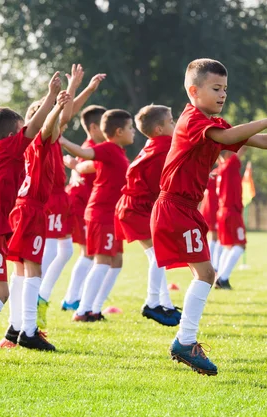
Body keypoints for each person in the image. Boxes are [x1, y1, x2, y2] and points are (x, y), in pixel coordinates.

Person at [151, 58, 267, 375]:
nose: (223, 95)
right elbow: (233, 137)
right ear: (194, 91)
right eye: (216, 88)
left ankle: (183, 336)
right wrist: (265, 120)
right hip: (174, 207)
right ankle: (184, 340)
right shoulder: (193, 119)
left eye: (225, 89)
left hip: (185, 208)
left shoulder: (214, 123)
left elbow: (258, 140)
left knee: (205, 274)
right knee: (206, 274)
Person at [0, 72, 63, 364]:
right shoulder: (13, 149)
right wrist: (50, 95)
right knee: (1, 292)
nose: (24, 136)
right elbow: (33, 127)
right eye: (19, 132)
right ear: (11, 137)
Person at [1, 89, 71, 351]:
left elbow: (52, 124)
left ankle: (15, 326)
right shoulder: (40, 143)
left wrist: (59, 102)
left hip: (21, 209)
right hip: (31, 210)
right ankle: (29, 332)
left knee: (20, 270)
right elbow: (46, 127)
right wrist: (54, 104)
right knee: (33, 271)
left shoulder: (26, 143)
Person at [37, 70, 107, 327]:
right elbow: (64, 113)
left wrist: (80, 87)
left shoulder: (56, 135)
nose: (64, 121)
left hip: (60, 200)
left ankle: (42, 297)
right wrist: (66, 92)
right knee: (55, 252)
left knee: (64, 251)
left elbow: (67, 112)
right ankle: (40, 297)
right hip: (53, 201)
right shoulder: (45, 137)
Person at [61, 110, 134, 321]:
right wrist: (63, 140)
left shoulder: (117, 152)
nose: (133, 133)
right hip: (101, 213)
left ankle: (95, 308)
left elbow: (87, 164)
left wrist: (76, 167)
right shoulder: (109, 148)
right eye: (130, 128)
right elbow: (85, 154)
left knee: (116, 261)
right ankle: (83, 311)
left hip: (112, 215)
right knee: (102, 261)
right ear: (119, 131)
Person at [115, 104, 180, 326]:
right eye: (171, 121)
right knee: (160, 254)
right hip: (137, 208)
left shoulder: (154, 143)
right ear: (160, 128)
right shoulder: (165, 146)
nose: (175, 123)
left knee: (156, 256)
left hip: (133, 206)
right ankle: (152, 304)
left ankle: (166, 305)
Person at [61, 104, 108, 311]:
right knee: (88, 253)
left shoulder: (93, 149)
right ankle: (72, 299)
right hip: (81, 205)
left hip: (84, 205)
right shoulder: (89, 149)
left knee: (88, 253)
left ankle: (75, 297)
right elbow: (82, 170)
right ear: (95, 127)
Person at [214, 147, 247, 289]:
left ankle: (219, 278)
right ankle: (223, 278)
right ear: (228, 153)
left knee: (228, 246)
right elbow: (244, 146)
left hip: (222, 212)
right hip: (231, 212)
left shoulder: (220, 168)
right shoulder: (229, 164)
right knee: (240, 245)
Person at [200, 168, 221, 271]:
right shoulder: (218, 172)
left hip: (210, 206)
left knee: (215, 237)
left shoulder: (215, 172)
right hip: (213, 207)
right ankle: (212, 264)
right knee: (214, 237)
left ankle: (213, 264)